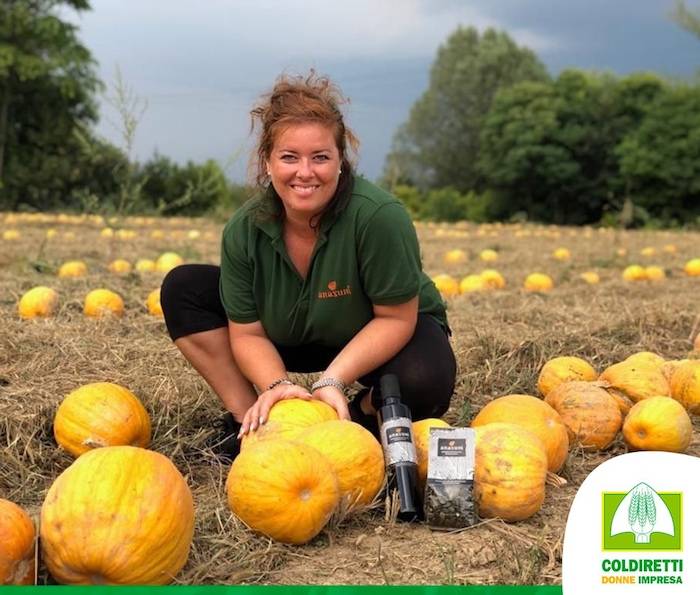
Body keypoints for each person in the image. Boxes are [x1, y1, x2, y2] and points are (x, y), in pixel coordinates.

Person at [160, 72, 456, 459]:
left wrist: (332, 380)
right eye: (289, 157)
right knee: (184, 287)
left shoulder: (380, 216)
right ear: (267, 162)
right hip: (287, 333)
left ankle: (360, 416)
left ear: (340, 161)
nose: (304, 172)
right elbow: (247, 334)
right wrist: (275, 386)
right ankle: (249, 423)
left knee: (425, 379)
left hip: (372, 333)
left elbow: (395, 319)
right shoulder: (244, 229)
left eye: (320, 157)